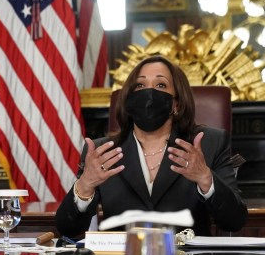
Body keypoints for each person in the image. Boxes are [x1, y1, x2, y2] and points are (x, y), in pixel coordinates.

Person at [55, 55, 247, 238]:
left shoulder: (208, 143)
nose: (149, 93)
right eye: (140, 85)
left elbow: (234, 221)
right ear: (129, 100)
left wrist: (205, 178)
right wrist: (85, 185)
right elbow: (68, 229)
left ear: (177, 104)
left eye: (161, 85)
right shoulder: (101, 152)